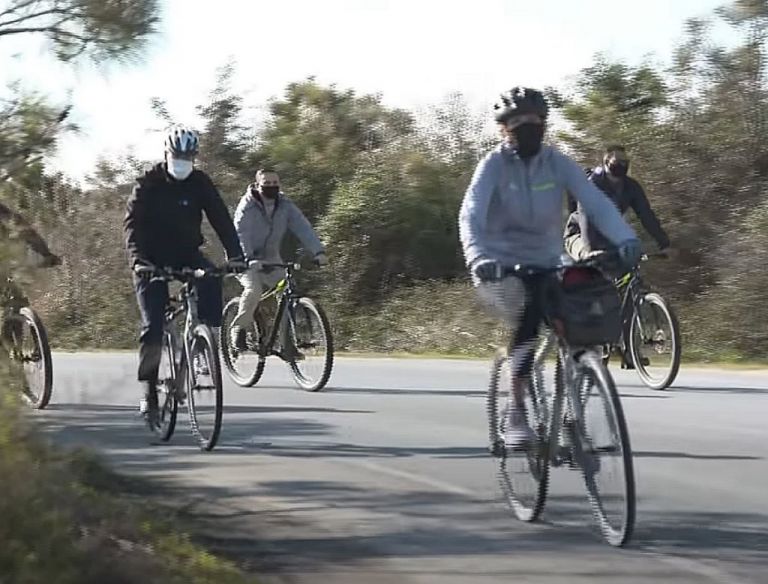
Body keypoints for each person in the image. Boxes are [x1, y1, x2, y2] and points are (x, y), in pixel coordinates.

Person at [458, 87, 641, 449]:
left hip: (548, 260)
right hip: (498, 266)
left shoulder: (558, 163)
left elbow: (596, 204)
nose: (527, 127)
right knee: (528, 317)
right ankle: (516, 411)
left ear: (544, 124)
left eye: (534, 121)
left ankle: (574, 415)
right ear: (503, 128)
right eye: (517, 122)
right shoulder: (493, 166)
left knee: (581, 315)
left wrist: (625, 238)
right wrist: (478, 257)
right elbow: (471, 214)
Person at [123, 124, 244, 425]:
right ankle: (149, 392)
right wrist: (138, 261)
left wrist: (235, 255)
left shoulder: (199, 182)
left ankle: (203, 342)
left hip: (186, 253)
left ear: (195, 156)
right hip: (149, 260)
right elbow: (132, 226)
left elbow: (220, 218)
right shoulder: (148, 184)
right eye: (178, 156)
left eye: (188, 157)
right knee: (153, 326)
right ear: (167, 154)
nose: (182, 162)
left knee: (212, 278)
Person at [230, 168, 327, 360]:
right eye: (267, 184)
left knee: (287, 294)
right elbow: (241, 234)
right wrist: (248, 259)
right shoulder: (247, 206)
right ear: (257, 185)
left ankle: (287, 345)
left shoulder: (285, 205)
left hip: (272, 258)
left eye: (275, 183)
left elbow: (303, 227)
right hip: (244, 259)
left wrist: (318, 251)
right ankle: (238, 331)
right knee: (254, 290)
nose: (272, 187)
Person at [564, 145, 672, 260]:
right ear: (606, 162)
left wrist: (665, 244)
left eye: (625, 161)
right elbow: (586, 217)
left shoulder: (631, 187)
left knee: (629, 259)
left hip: (609, 238)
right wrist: (590, 250)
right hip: (579, 234)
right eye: (618, 161)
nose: (622, 165)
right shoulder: (591, 186)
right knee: (591, 261)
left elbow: (646, 215)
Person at [0, 201, 61, 357]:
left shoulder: (4, 213)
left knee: (15, 299)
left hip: (6, 265)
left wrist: (46, 255)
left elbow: (27, 233)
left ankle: (15, 347)